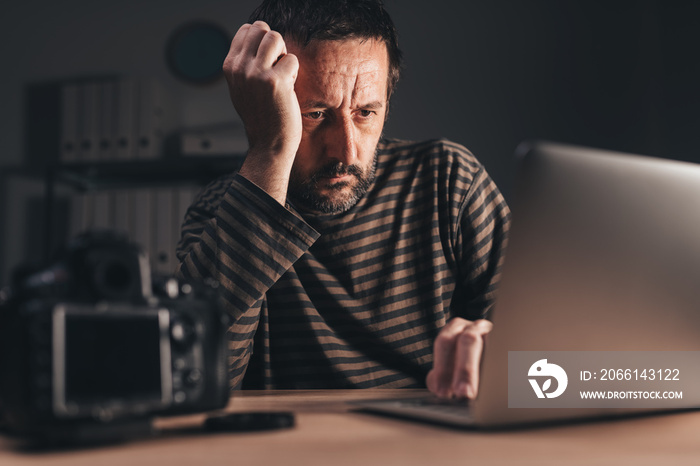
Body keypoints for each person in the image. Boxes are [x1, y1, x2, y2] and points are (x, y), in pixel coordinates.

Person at [176, 0, 510, 399]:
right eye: (316, 114)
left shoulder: (448, 181)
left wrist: (504, 356)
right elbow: (193, 387)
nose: (347, 154)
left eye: (366, 112)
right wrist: (269, 150)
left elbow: (569, 375)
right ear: (266, 104)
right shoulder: (225, 212)